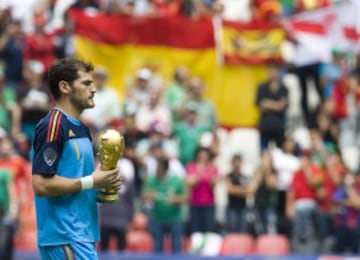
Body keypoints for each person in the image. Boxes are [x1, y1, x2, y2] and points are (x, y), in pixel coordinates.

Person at [31, 58, 122, 260]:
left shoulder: (82, 128)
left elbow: (79, 181)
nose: (94, 89)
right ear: (65, 87)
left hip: (82, 234)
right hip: (64, 236)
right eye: (87, 83)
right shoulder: (52, 125)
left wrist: (103, 185)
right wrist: (92, 181)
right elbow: (41, 185)